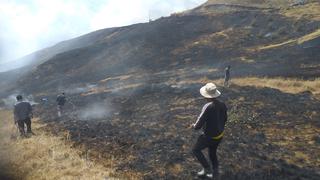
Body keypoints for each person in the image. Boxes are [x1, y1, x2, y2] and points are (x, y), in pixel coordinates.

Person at [191, 83, 228, 179]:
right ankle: (215, 172)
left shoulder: (207, 107)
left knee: (195, 150)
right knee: (212, 153)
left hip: (209, 137)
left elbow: (198, 126)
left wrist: (193, 126)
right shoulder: (223, 104)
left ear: (206, 95)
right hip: (220, 135)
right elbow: (225, 119)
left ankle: (207, 169)